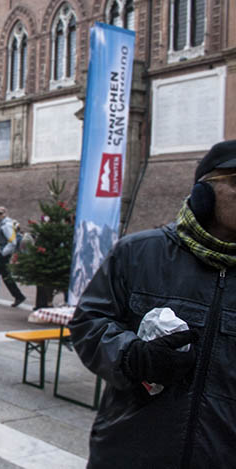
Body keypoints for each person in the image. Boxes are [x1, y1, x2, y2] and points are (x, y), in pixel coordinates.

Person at [68, 140, 236, 467]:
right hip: (130, 451)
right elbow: (88, 323)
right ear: (204, 194)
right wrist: (130, 356)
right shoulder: (137, 252)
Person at [0, 206, 26, 307]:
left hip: (2, 254)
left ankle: (18, 296)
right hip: (0, 253)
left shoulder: (6, 225)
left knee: (3, 275)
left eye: (0, 213)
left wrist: (3, 252)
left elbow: (12, 242)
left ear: (5, 214)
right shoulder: (1, 224)